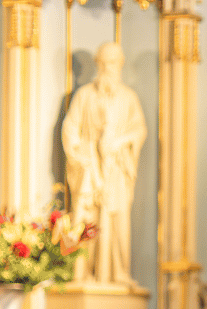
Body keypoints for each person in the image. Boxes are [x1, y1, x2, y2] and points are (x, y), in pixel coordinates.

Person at [61, 42, 147, 287]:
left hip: (117, 170)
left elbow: (139, 130)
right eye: (104, 63)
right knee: (86, 221)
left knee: (118, 224)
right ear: (97, 65)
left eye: (114, 63)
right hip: (90, 171)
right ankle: (83, 274)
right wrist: (82, 157)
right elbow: (70, 129)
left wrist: (120, 142)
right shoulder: (84, 95)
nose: (109, 68)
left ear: (120, 65)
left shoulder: (128, 97)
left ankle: (118, 273)